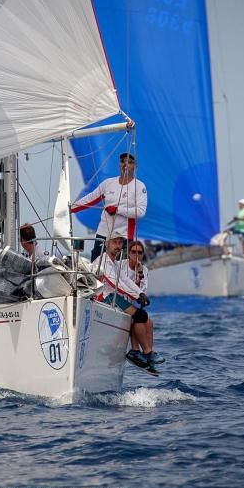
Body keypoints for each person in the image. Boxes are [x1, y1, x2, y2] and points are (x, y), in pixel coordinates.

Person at [91, 232, 163, 372]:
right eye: (114, 242)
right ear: (107, 244)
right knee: (140, 316)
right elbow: (115, 283)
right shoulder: (104, 261)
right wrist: (137, 296)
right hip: (105, 297)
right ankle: (143, 353)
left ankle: (146, 356)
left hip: (114, 297)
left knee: (145, 318)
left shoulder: (114, 263)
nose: (118, 246)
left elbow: (125, 281)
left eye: (120, 243)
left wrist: (140, 293)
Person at [71, 152, 147, 261]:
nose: (125, 164)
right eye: (122, 161)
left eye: (129, 162)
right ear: (119, 164)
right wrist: (70, 208)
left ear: (135, 166)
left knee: (120, 270)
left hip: (124, 235)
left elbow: (140, 211)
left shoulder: (139, 186)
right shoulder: (108, 183)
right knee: (96, 265)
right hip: (104, 233)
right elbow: (90, 199)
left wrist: (117, 210)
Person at [118, 240, 162, 363]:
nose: (136, 255)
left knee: (149, 322)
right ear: (128, 253)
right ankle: (137, 350)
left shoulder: (144, 269)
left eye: (140, 252)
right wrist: (137, 295)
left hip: (132, 303)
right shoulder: (120, 265)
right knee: (138, 317)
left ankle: (148, 354)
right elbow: (122, 284)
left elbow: (143, 290)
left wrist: (141, 273)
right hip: (120, 301)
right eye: (133, 252)